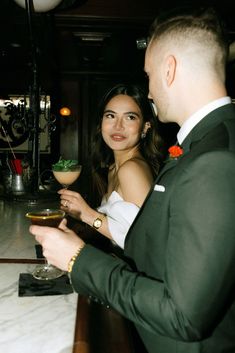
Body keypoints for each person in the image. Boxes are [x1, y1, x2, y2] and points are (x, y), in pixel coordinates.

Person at [29, 6, 235, 353]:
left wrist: (79, 259)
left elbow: (182, 316)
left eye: (149, 74)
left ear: (169, 69)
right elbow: (155, 247)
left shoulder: (214, 157)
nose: (150, 91)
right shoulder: (206, 141)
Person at [58, 83, 164, 248]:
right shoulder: (113, 168)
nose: (118, 126)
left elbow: (147, 242)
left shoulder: (131, 169)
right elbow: (122, 228)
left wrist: (88, 215)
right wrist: (84, 225)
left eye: (130, 117)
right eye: (110, 116)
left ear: (145, 126)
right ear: (101, 123)